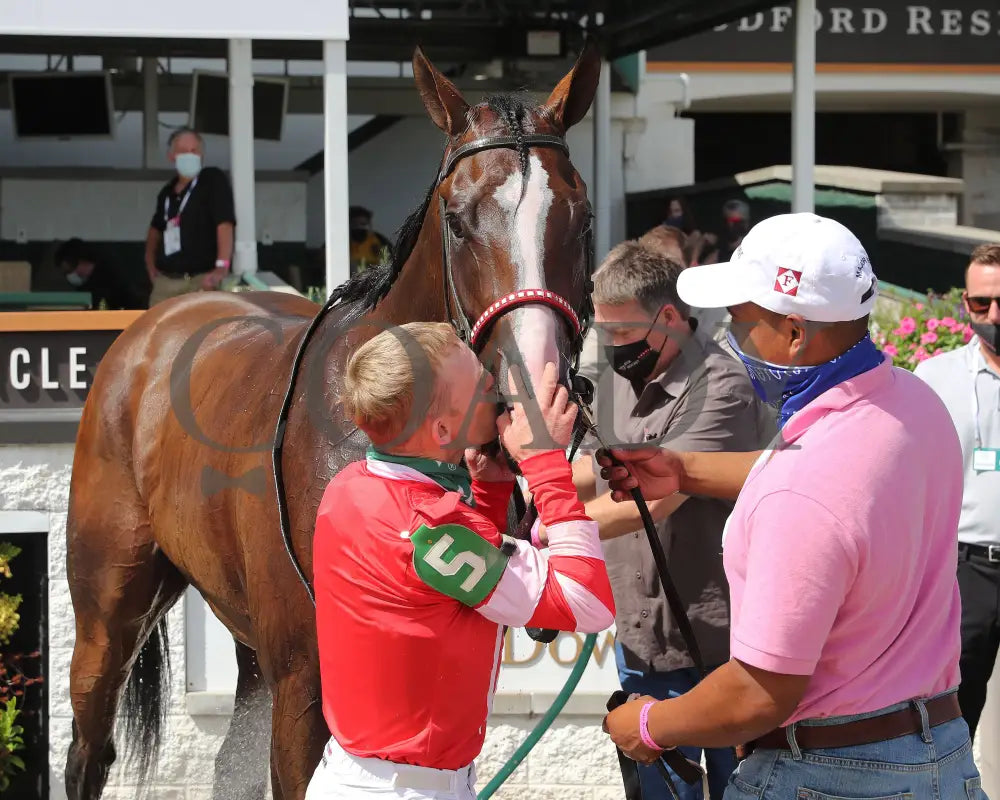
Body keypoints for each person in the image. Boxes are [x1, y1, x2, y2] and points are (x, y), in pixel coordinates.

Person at [600, 213, 981, 800]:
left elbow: (757, 694)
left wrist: (646, 724)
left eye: (742, 322)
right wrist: (683, 469)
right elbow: (840, 486)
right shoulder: (916, 402)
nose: (730, 338)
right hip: (940, 752)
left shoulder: (803, 488)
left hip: (829, 773)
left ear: (796, 334)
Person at [308, 324, 615, 800]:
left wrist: (490, 490)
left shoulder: (350, 483)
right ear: (443, 430)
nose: (498, 388)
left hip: (364, 778)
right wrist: (546, 464)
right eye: (483, 384)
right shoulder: (433, 527)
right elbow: (587, 602)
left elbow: (453, 597)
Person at [548, 241, 769, 800]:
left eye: (623, 333)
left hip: (720, 645)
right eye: (605, 333)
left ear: (669, 317)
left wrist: (546, 539)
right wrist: (529, 488)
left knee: (735, 791)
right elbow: (592, 472)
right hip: (643, 639)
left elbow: (657, 498)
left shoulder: (722, 385)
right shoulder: (615, 379)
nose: (612, 347)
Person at [915, 243, 1000, 742]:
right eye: (980, 304)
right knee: (953, 715)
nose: (993, 315)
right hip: (965, 569)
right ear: (965, 303)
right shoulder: (936, 378)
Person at [145, 127, 236, 306]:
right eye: (183, 151)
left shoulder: (212, 180)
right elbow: (155, 230)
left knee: (202, 332)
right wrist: (149, 263)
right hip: (166, 282)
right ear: (171, 156)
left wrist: (222, 267)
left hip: (200, 280)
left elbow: (224, 224)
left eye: (194, 151)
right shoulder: (166, 192)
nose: (190, 155)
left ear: (201, 155)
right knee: (159, 332)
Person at [55, 238, 147, 309]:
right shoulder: (83, 288)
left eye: (69, 270)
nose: (70, 275)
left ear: (81, 261)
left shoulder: (113, 276)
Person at [349, 205, 391, 276]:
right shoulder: (342, 243)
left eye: (363, 224)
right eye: (355, 224)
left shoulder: (380, 241)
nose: (359, 227)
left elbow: (391, 263)